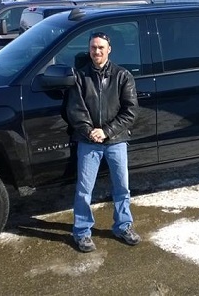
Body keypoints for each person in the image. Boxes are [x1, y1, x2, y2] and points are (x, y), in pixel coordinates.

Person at [65, 31, 141, 253]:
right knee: (83, 190)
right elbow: (75, 110)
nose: (96, 51)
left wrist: (106, 131)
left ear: (109, 49)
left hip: (116, 140)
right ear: (89, 50)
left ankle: (123, 226)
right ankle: (82, 232)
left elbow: (131, 111)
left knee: (122, 187)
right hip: (88, 142)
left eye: (100, 47)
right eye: (93, 48)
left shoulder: (122, 76)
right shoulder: (79, 76)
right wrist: (90, 132)